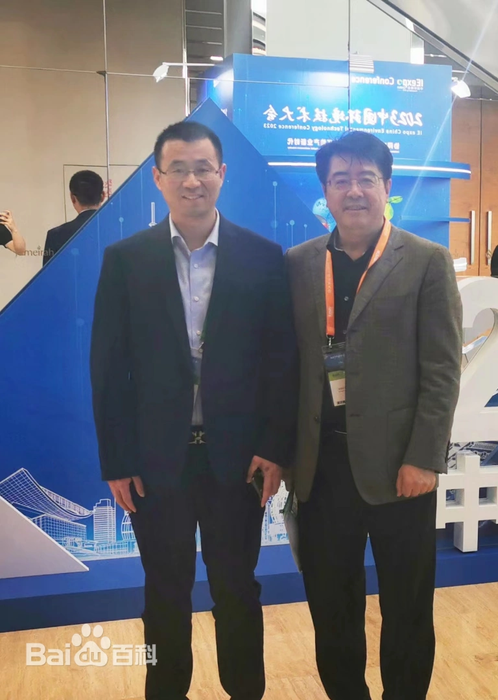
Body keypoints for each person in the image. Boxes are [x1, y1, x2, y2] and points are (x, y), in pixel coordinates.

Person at [90, 120, 297, 700]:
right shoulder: (126, 259)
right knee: (164, 590)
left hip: (239, 461)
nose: (191, 180)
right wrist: (117, 461)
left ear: (221, 174)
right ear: (157, 178)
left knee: (238, 587)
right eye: (177, 169)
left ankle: (245, 690)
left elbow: (281, 362)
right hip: (157, 463)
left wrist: (274, 448)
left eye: (203, 168)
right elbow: (108, 369)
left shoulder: (262, 257)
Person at [285, 131, 463, 700]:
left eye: (366, 179)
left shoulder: (426, 261)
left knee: (406, 606)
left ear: (387, 187)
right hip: (321, 468)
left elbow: (442, 369)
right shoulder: (299, 264)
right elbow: (288, 367)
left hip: (399, 469)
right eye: (340, 180)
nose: (353, 191)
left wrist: (424, 458)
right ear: (325, 192)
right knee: (330, 605)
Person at [43, 170, 105, 266]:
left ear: (73, 198)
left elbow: (49, 275)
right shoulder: (122, 231)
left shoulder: (55, 236)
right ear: (103, 196)